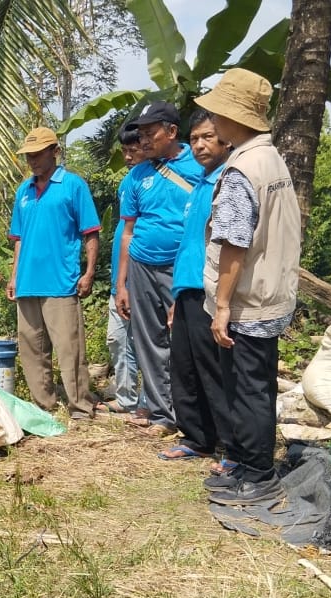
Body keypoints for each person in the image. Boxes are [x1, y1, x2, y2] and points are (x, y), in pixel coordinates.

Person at [195, 68, 302, 505]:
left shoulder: (242, 168)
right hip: (271, 290)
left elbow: (234, 245)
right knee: (251, 384)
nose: (212, 121)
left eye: (217, 112)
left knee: (249, 388)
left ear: (233, 116)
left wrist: (222, 306)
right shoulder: (270, 158)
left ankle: (258, 473)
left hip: (248, 299)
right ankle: (243, 461)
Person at [116, 101, 203, 437]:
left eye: (151, 132)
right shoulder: (137, 175)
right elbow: (128, 232)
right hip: (141, 265)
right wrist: (121, 284)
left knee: (185, 339)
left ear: (171, 131)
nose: (145, 139)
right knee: (149, 341)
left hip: (183, 267)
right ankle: (161, 415)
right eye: (141, 133)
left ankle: (192, 414)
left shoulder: (198, 166)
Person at [6, 127, 101, 418]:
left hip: (60, 282)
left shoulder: (72, 185)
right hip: (27, 282)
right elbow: (19, 239)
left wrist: (89, 272)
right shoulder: (23, 191)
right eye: (28, 156)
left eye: (37, 154)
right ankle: (42, 405)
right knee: (32, 349)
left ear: (55, 152)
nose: (32, 160)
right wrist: (13, 276)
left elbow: (90, 232)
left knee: (69, 349)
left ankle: (80, 406)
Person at [159, 109, 233, 463]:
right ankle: (196, 438)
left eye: (207, 137)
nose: (200, 145)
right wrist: (176, 296)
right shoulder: (200, 184)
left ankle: (231, 446)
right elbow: (188, 243)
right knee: (184, 368)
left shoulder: (227, 181)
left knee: (213, 368)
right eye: (194, 139)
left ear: (226, 139)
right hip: (186, 288)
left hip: (211, 289)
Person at [99, 128, 146, 416]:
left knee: (146, 342)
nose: (128, 157)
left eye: (134, 150)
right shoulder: (129, 182)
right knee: (118, 338)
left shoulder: (160, 180)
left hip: (143, 277)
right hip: (121, 278)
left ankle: (152, 402)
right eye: (125, 151)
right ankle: (126, 397)